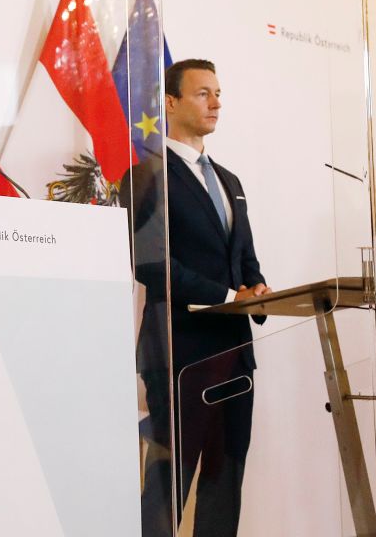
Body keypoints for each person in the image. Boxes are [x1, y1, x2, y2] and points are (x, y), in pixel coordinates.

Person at [129, 58, 268, 537]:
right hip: (179, 353)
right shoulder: (147, 175)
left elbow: (244, 257)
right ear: (171, 102)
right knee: (169, 486)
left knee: (225, 484)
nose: (216, 102)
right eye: (203, 93)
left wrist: (258, 288)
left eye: (219, 93)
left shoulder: (230, 181)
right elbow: (150, 264)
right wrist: (229, 294)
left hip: (234, 355)